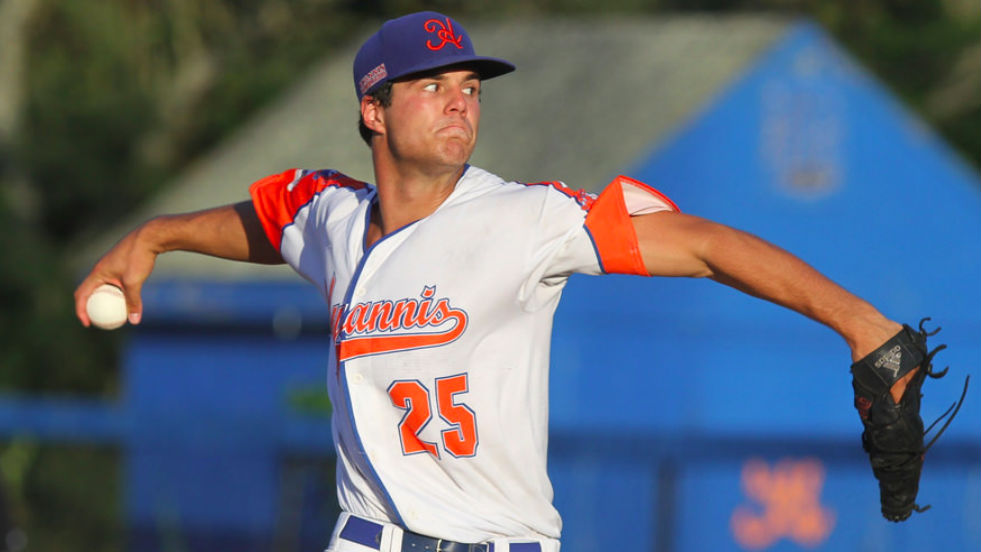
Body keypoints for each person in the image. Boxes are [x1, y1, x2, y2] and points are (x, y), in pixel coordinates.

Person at [75, 11, 920, 552]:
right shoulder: (330, 215)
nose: (460, 104)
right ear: (373, 111)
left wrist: (860, 323)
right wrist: (155, 236)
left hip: (500, 545)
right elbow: (266, 224)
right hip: (365, 540)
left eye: (470, 88)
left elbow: (698, 245)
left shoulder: (527, 218)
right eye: (432, 86)